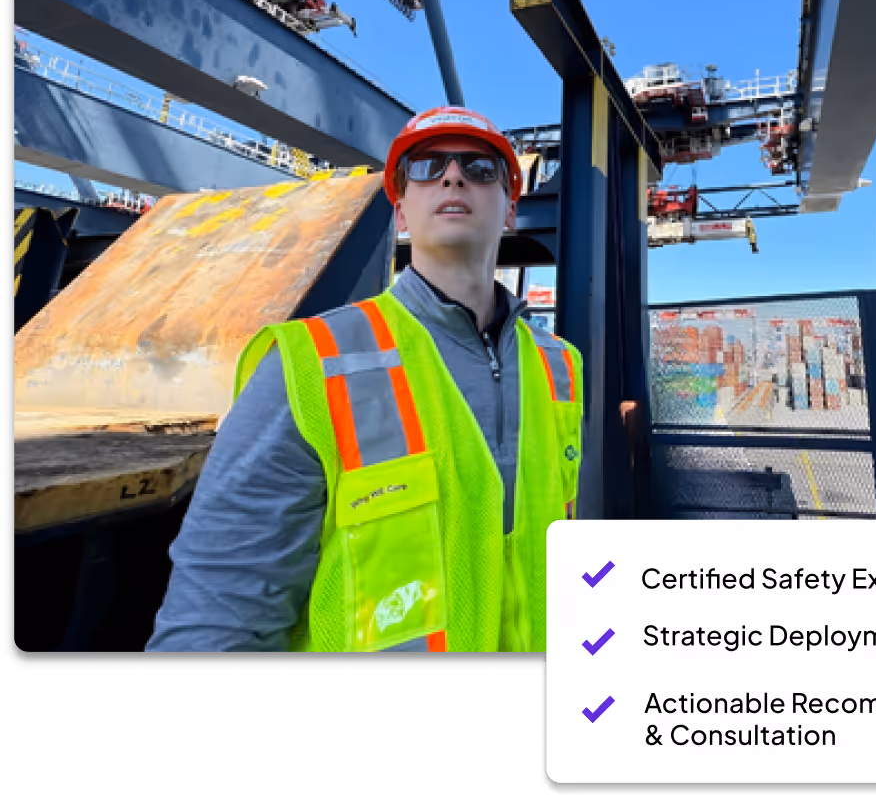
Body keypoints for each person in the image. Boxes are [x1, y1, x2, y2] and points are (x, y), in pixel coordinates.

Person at [147, 106, 584, 653]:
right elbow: (223, 603)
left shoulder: (560, 366)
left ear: (510, 211)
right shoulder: (310, 364)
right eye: (427, 168)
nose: (453, 177)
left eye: (479, 168)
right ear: (400, 214)